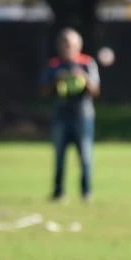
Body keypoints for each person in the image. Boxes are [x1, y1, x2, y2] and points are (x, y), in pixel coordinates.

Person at [41, 27, 101, 201]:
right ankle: (58, 192)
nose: (67, 47)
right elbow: (45, 91)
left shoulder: (87, 63)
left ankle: (86, 192)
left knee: (85, 156)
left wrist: (82, 76)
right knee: (59, 156)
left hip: (83, 116)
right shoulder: (54, 65)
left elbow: (95, 90)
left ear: (78, 45)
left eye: (70, 43)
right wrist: (57, 80)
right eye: (64, 43)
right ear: (59, 46)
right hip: (61, 116)